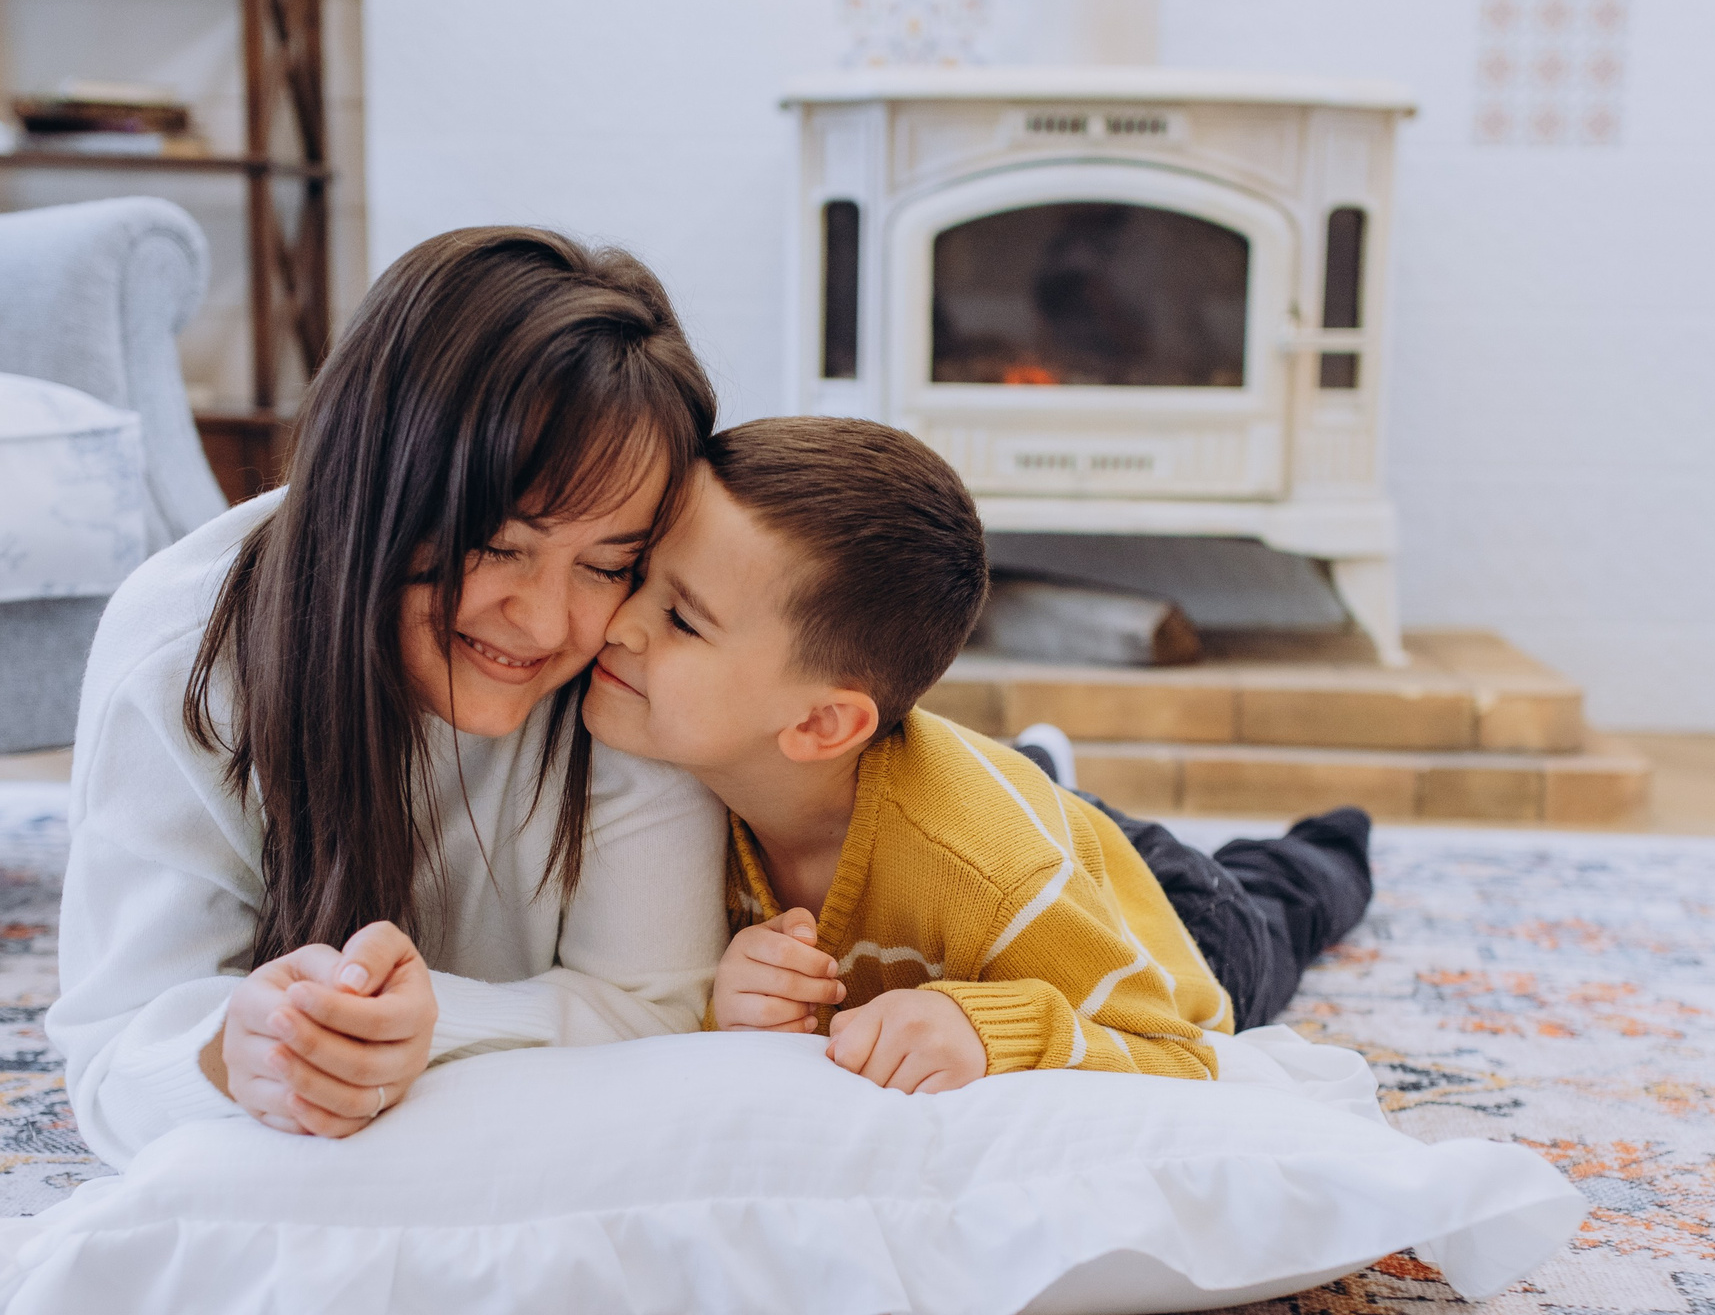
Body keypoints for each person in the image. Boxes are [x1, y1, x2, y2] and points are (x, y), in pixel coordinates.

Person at [49, 228, 730, 1165]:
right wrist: (232, 1050)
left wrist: (422, 1025)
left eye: (606, 563)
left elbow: (662, 1004)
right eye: (497, 544)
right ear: (370, 483)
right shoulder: (184, 657)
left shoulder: (631, 653)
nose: (541, 623)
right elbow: (114, 1054)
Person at [580, 415, 1373, 1096]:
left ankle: (1330, 843)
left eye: (682, 619)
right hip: (992, 821)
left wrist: (989, 1029)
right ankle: (1037, 776)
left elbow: (1184, 1052)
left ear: (822, 724)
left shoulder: (994, 878)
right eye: (637, 574)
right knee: (1023, 814)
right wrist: (734, 1004)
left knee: (1276, 901)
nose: (619, 622)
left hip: (1174, 913)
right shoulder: (682, 787)